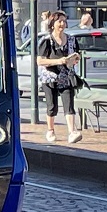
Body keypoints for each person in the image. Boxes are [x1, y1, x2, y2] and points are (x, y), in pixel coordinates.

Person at [37, 10, 83, 145]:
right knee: (52, 106)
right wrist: (58, 61)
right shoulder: (46, 40)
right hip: (50, 77)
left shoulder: (71, 39)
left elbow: (76, 55)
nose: (62, 24)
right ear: (53, 24)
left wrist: (74, 60)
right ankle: (50, 130)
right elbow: (40, 61)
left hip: (66, 76)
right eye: (59, 21)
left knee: (69, 104)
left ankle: (72, 132)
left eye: (64, 21)